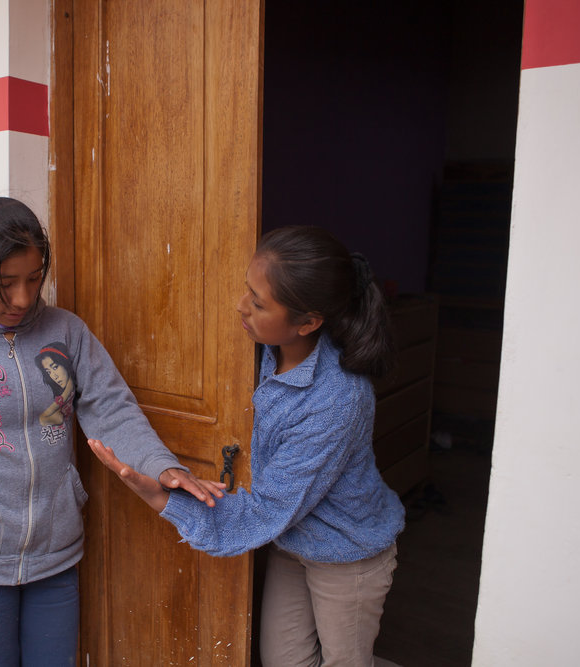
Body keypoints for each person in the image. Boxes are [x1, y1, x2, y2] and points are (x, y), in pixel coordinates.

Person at [0, 196, 223, 667]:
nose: (24, 299)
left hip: (56, 558)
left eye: (33, 278)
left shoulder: (65, 330)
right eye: (4, 285)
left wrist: (160, 465)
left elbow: (109, 407)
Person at [88, 225, 405, 667]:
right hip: (295, 540)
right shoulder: (268, 348)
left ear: (309, 322)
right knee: (284, 661)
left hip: (347, 553)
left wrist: (160, 497)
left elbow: (264, 511)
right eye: (246, 290)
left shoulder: (336, 400)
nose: (241, 306)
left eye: (258, 303)